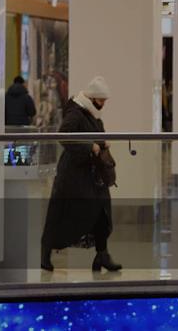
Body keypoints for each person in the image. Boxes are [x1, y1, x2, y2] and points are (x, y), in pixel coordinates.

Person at [41, 77, 122, 272]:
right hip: (74, 176)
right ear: (92, 98)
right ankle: (45, 253)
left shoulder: (91, 113)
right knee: (62, 214)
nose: (103, 104)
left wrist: (102, 143)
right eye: (101, 100)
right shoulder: (76, 113)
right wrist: (89, 146)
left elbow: (95, 134)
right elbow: (64, 136)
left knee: (102, 212)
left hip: (92, 175)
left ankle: (102, 255)